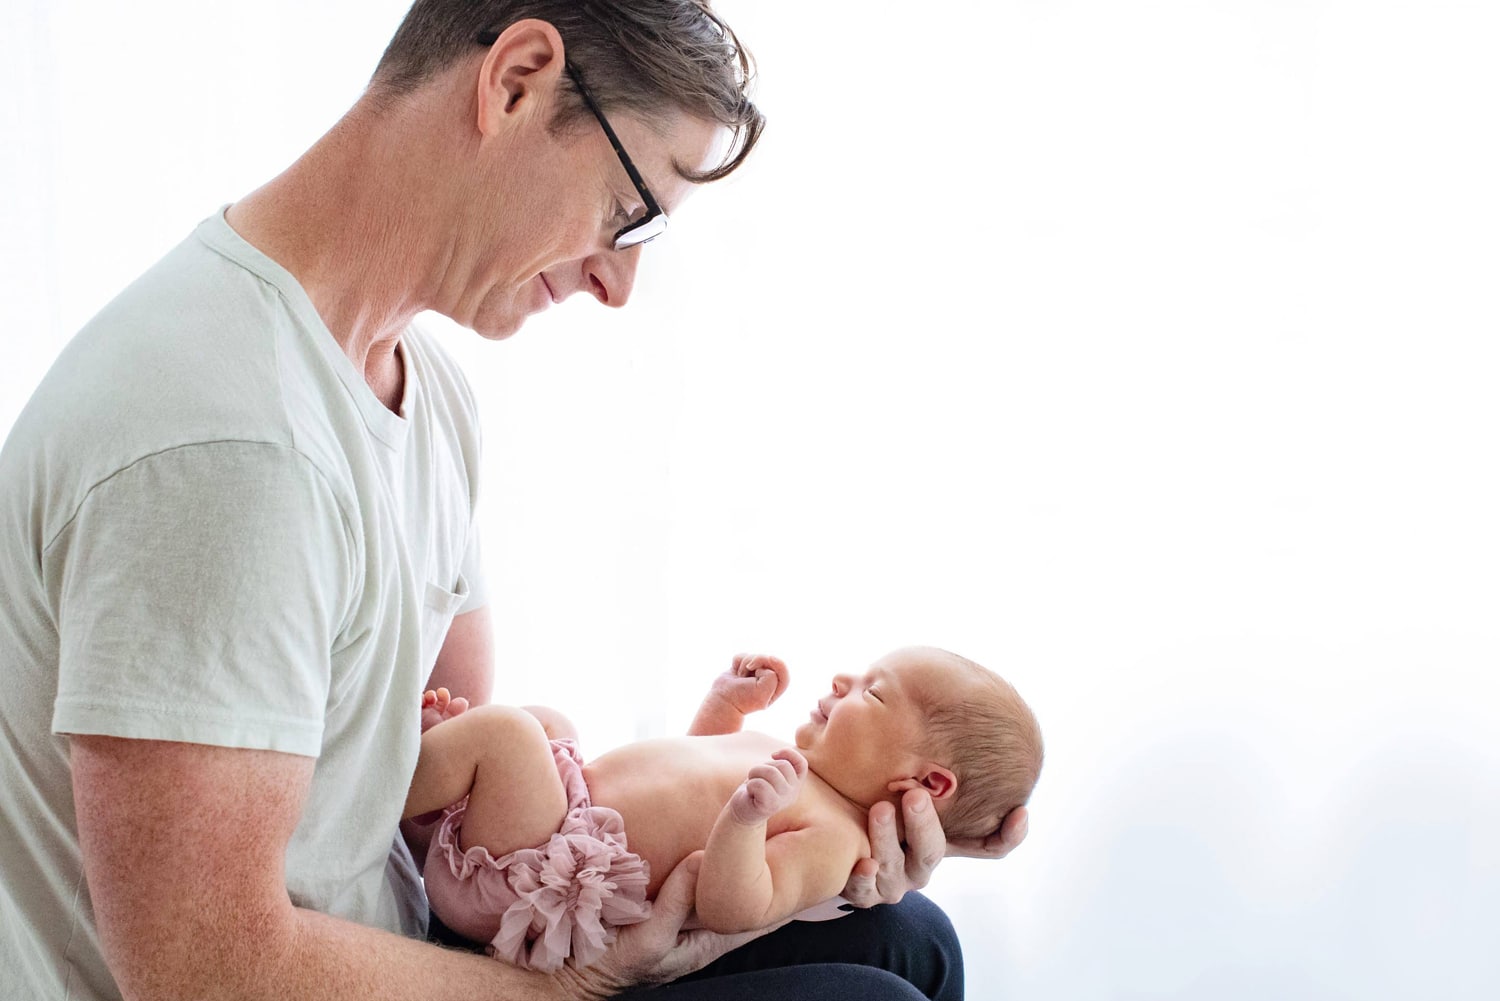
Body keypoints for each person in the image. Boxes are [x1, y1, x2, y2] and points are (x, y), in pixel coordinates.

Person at [0, 3, 1027, 1000]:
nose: (619, 286)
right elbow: (201, 972)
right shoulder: (228, 444)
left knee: (909, 936)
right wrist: (572, 985)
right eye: (631, 216)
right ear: (516, 80)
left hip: (408, 929)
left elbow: (446, 774)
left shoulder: (423, 393)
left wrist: (832, 825)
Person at [407, 648, 1043, 973]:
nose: (843, 681)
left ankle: (376, 795)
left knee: (507, 737)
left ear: (927, 783)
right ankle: (434, 799)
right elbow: (694, 759)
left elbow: (736, 907)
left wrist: (744, 822)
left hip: (541, 880)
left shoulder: (836, 839)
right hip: (561, 820)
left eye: (874, 694)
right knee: (547, 725)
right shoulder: (793, 763)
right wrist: (726, 707)